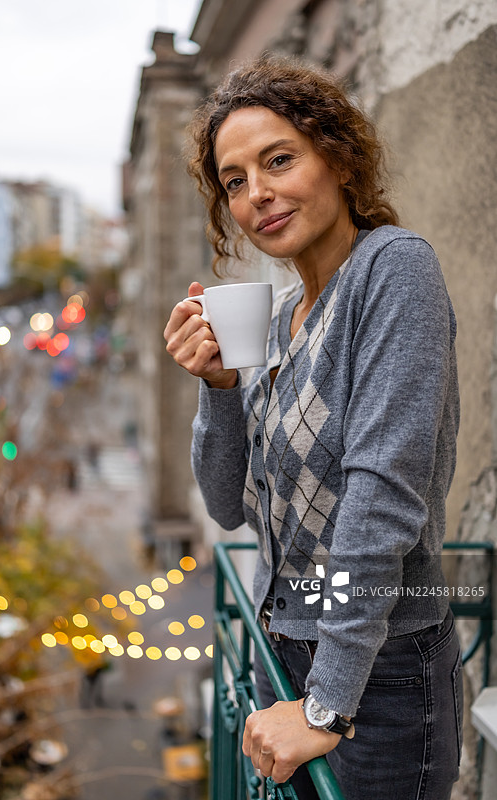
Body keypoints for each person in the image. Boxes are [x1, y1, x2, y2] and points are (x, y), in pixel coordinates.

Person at [164, 54, 462, 800]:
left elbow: (382, 495)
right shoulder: (284, 310)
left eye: (278, 160)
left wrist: (328, 702)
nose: (257, 193)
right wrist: (219, 388)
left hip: (378, 678)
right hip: (289, 657)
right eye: (235, 181)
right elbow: (228, 504)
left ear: (336, 156)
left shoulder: (394, 270)